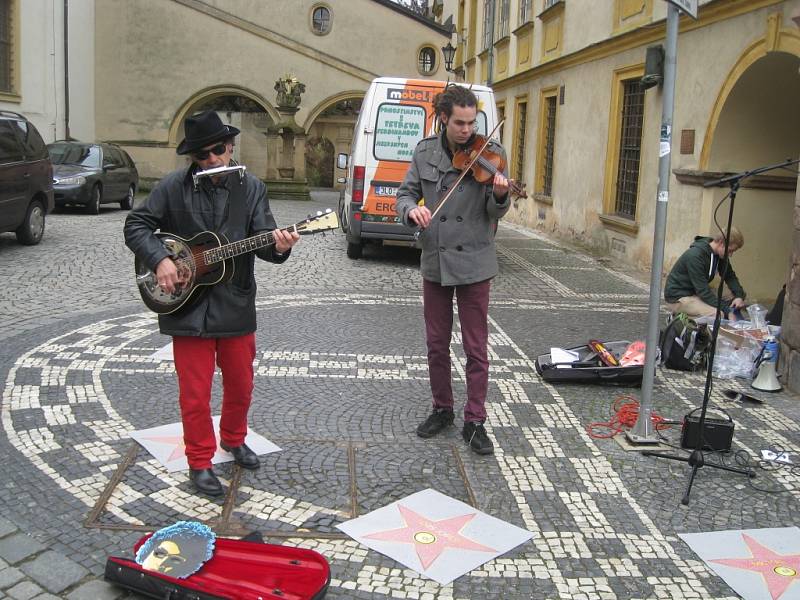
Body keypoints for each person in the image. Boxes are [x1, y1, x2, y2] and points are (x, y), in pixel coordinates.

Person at [124, 110, 299, 496]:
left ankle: (234, 439)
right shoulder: (173, 186)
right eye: (202, 155)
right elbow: (136, 225)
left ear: (230, 146)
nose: (212, 160)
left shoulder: (250, 188)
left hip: (234, 299)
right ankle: (199, 461)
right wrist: (161, 259)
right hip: (186, 306)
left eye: (218, 150)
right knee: (195, 392)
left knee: (241, 383)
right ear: (194, 158)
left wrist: (280, 246)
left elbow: (264, 243)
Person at [395, 85, 510, 456]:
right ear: (443, 118)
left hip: (476, 260)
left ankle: (475, 420)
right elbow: (404, 195)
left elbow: (496, 214)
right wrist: (412, 211)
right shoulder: (424, 152)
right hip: (437, 259)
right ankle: (442, 409)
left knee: (477, 347)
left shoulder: (493, 154)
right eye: (459, 122)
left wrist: (500, 195)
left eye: (471, 122)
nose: (466, 130)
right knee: (436, 344)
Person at [664, 227, 746, 320]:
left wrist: (739, 296)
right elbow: (703, 291)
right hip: (678, 297)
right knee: (718, 315)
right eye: (730, 250)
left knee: (733, 297)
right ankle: (679, 319)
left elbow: (730, 276)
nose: (730, 255)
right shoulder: (695, 256)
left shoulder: (720, 255)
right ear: (721, 243)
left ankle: (727, 318)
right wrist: (727, 310)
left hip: (696, 292)